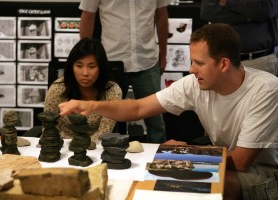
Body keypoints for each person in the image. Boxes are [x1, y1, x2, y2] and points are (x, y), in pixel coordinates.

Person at [58, 24, 278, 200]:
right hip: (222, 159)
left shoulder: (266, 90)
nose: (192, 69)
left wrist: (188, 153)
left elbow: (240, 162)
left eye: (199, 63)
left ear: (223, 64)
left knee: (211, 185)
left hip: (264, 171)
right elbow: (138, 107)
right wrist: (92, 105)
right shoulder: (194, 83)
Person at [78, 0, 173, 143]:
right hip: (111, 61)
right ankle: (105, 159)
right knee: (107, 117)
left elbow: (162, 15)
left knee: (155, 120)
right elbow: (88, 14)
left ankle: (157, 160)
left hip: (147, 60)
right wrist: (86, 56)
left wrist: (163, 54)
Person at [44, 37, 122, 143]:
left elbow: (104, 132)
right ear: (72, 67)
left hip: (96, 148)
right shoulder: (57, 89)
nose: (85, 73)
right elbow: (49, 127)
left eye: (92, 66)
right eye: (79, 66)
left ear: (101, 67)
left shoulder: (112, 91)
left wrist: (83, 147)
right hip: (61, 147)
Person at [200, 0, 278, 75]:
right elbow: (207, 11)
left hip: (258, 61)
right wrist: (248, 17)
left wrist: (228, 2)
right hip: (222, 61)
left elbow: (267, 9)